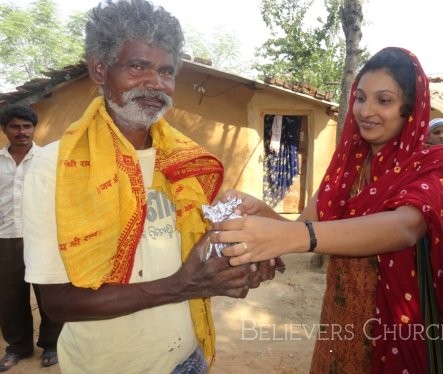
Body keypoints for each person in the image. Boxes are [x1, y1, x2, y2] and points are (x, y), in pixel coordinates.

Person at [21, 1, 274, 373]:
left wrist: (243, 257)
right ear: (99, 68)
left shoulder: (183, 162)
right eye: (138, 66)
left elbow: (193, 255)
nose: (157, 83)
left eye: (167, 71)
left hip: (188, 357)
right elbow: (57, 303)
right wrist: (181, 286)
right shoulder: (56, 167)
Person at [212, 47, 443, 373]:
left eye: (383, 100)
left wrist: (291, 235)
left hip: (406, 329)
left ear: (410, 109)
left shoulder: (441, 167)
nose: (365, 110)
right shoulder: (350, 168)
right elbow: (305, 226)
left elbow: (405, 227)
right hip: (343, 322)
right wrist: (258, 211)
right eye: (360, 98)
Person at [0, 104, 63, 371]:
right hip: (5, 239)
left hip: (42, 237)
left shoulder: (48, 160)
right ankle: (18, 347)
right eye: (15, 126)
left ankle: (51, 344)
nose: (22, 131)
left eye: (27, 126)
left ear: (34, 129)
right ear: (4, 130)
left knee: (48, 292)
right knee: (9, 297)